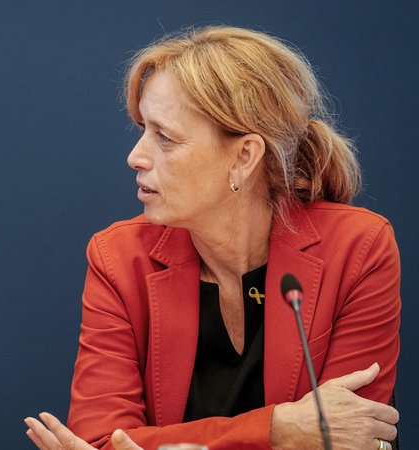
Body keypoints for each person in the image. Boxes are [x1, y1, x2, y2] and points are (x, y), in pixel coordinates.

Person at [26, 26, 400, 450]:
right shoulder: (118, 258)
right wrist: (278, 429)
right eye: (141, 129)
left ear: (244, 157)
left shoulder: (358, 248)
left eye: (164, 137)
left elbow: (352, 436)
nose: (135, 156)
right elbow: (102, 440)